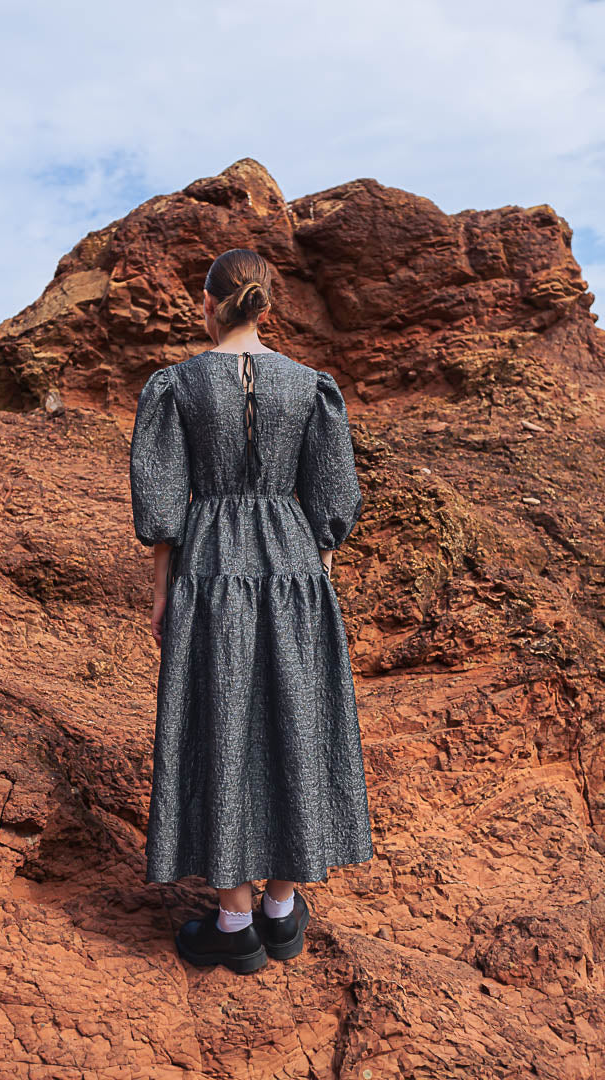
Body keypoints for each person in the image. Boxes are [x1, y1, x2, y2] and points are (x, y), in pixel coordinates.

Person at [129, 247, 373, 975]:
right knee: (299, 716)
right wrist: (318, 568)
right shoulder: (311, 386)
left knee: (218, 719)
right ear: (268, 307)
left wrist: (162, 591)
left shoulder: (175, 386)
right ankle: (280, 910)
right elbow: (333, 500)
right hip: (293, 565)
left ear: (207, 305)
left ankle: (235, 920)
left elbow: (162, 506)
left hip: (209, 564)